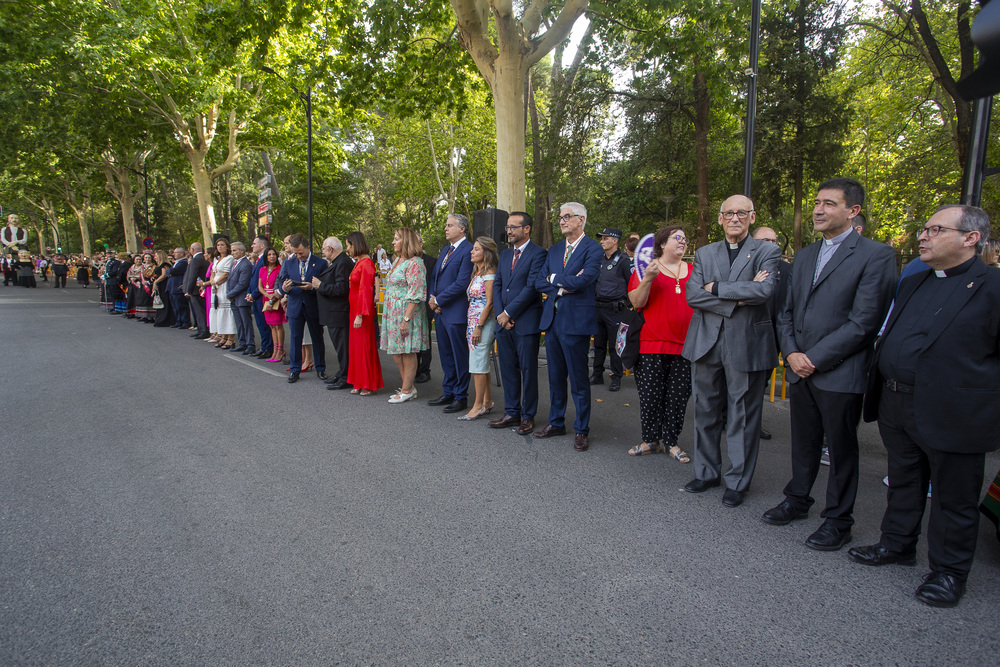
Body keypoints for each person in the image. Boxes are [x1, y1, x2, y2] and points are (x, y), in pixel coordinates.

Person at [845, 205, 1000, 608]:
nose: (923, 236)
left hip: (955, 411)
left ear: (970, 238)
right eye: (925, 229)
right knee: (904, 480)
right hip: (898, 401)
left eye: (935, 229)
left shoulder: (993, 287)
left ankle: (949, 573)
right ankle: (896, 544)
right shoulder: (916, 281)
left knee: (953, 496)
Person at [761, 178, 897, 551]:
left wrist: (814, 359)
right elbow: (786, 312)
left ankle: (838, 520)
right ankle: (797, 499)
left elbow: (865, 321)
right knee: (803, 441)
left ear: (853, 212)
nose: (818, 210)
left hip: (840, 371)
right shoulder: (804, 255)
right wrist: (790, 354)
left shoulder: (876, 255)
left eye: (829, 204)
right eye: (817, 203)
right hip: (798, 366)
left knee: (840, 448)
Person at [681, 194, 780, 508]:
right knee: (705, 411)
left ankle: (737, 481)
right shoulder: (705, 252)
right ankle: (707, 472)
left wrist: (717, 288)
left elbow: (764, 290)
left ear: (752, 217)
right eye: (728, 213)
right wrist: (740, 297)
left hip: (746, 343)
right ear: (720, 218)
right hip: (706, 342)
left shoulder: (768, 250)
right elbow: (693, 295)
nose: (734, 218)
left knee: (743, 416)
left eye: (741, 213)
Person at [533, 202, 603, 451]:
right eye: (560, 217)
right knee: (555, 377)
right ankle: (556, 422)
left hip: (576, 323)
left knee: (579, 379)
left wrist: (554, 280)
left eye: (567, 217)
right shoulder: (553, 250)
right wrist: (563, 285)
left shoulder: (593, 248)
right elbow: (538, 281)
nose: (561, 221)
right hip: (552, 323)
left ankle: (581, 429)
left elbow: (585, 279)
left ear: (581, 219)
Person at [626, 225, 695, 464]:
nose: (683, 241)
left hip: (686, 346)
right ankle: (650, 440)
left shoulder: (695, 271)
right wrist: (647, 279)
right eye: (678, 237)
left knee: (678, 398)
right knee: (650, 397)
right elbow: (636, 301)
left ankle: (671, 442)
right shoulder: (647, 267)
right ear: (663, 244)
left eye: (685, 238)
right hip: (651, 344)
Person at [489, 212, 546, 435]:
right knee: (508, 369)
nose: (509, 231)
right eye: (508, 227)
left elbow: (532, 287)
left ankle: (528, 416)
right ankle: (512, 412)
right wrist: (501, 314)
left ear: (527, 229)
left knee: (528, 370)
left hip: (526, 322)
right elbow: (498, 285)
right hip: (504, 323)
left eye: (514, 227)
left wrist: (509, 313)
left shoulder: (539, 253)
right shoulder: (504, 255)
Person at [427, 214, 474, 413]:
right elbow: (435, 277)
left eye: (450, 225)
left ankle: (461, 396)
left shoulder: (468, 250)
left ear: (462, 228)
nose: (446, 229)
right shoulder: (446, 250)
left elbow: (462, 282)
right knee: (445, 354)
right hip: (440, 311)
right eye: (445, 225)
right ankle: (448, 391)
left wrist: (438, 300)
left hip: (455, 312)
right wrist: (432, 298)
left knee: (459, 355)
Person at [381, 228, 430, 404]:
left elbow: (416, 293)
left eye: (396, 239)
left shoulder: (416, 263)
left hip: (407, 313)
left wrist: (406, 320)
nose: (393, 242)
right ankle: (408, 386)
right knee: (397, 352)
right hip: (393, 313)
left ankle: (407, 389)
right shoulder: (398, 260)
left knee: (408, 352)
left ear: (406, 241)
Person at [751, 226, 791, 442]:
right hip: (744, 333)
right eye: (765, 240)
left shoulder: (787, 270)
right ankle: (724, 417)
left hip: (772, 337)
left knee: (761, 382)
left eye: (774, 240)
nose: (771, 244)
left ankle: (753, 423)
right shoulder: (742, 264)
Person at [277, 233, 327, 383]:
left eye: (301, 253)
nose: (298, 256)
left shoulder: (320, 263)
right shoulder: (289, 262)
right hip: (295, 305)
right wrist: (284, 288)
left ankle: (320, 368)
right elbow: (281, 281)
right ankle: (295, 370)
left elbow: (325, 285)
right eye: (295, 253)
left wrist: (313, 287)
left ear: (308, 248)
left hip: (313, 305)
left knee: (317, 338)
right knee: (295, 338)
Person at [459, 236, 499, 420]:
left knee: (477, 363)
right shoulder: (478, 272)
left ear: (486, 252)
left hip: (483, 322)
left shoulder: (490, 272)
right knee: (480, 362)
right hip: (473, 320)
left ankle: (477, 405)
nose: (472, 252)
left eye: (476, 249)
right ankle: (487, 401)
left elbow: (490, 302)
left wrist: (479, 326)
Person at [591, 227, 632, 392]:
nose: (601, 241)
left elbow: (632, 285)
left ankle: (616, 377)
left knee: (616, 346)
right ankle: (597, 374)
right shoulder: (599, 259)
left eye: (605, 238)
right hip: (598, 308)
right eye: (601, 238)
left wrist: (628, 307)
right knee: (598, 344)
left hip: (616, 310)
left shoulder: (624, 261)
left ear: (615, 240)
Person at [345, 231, 383, 395]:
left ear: (355, 245)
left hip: (362, 311)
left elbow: (365, 290)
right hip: (355, 309)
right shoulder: (359, 262)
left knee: (364, 346)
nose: (347, 250)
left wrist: (360, 314)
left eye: (348, 246)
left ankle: (367, 383)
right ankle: (358, 381)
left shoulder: (366, 263)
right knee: (356, 347)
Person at [314, 236, 354, 390]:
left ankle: (346, 376)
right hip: (334, 312)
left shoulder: (342, 263)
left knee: (343, 347)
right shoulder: (338, 262)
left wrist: (320, 285)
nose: (323, 252)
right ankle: (342, 372)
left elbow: (341, 289)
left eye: (324, 249)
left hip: (338, 312)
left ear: (330, 249)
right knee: (340, 347)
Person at [246, 235, 274, 359]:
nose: (252, 246)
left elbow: (263, 281)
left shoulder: (264, 260)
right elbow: (253, 278)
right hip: (255, 297)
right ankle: (264, 346)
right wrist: (249, 293)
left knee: (265, 324)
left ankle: (268, 347)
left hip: (261, 296)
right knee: (260, 324)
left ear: (262, 245)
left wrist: (254, 294)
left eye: (254, 243)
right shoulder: (257, 260)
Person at [226, 242, 255, 353]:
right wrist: (229, 293)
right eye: (232, 250)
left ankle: (250, 344)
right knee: (239, 322)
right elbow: (230, 281)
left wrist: (230, 294)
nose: (232, 253)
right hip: (234, 298)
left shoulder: (246, 264)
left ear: (241, 251)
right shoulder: (234, 263)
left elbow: (243, 283)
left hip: (241, 298)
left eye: (234, 250)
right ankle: (242, 342)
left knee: (246, 322)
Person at [415, 235, 436, 384]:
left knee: (425, 340)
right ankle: (413, 369)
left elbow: (434, 284)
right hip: (412, 308)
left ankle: (424, 370)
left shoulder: (431, 262)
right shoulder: (407, 261)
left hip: (426, 307)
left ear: (421, 244)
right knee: (413, 340)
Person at [259, 248, 287, 363]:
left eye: (274, 254)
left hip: (276, 296)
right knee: (271, 326)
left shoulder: (279, 269)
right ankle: (274, 350)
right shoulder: (262, 269)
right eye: (269, 254)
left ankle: (280, 350)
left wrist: (273, 296)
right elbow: (260, 285)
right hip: (266, 297)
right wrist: (266, 294)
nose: (272, 256)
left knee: (278, 325)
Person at [209, 239, 236, 348]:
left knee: (226, 312)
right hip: (215, 287)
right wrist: (212, 282)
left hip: (223, 286)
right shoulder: (216, 259)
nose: (220, 247)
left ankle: (231, 338)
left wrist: (216, 283)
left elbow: (226, 274)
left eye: (222, 245)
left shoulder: (229, 258)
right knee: (218, 310)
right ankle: (223, 336)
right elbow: (213, 272)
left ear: (227, 246)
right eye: (218, 245)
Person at [184, 243, 210, 339]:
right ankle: (200, 329)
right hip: (199, 289)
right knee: (199, 311)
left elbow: (192, 276)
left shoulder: (196, 260)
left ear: (193, 249)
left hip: (196, 289)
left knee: (200, 311)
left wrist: (188, 289)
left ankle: (203, 330)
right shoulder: (202, 259)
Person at [151, 249, 175, 327]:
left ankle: (165, 319)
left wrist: (156, 281)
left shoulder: (165, 265)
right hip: (159, 285)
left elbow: (164, 275)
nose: (155, 258)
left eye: (156, 256)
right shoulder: (158, 265)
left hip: (164, 285)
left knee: (165, 301)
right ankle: (160, 318)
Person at [167, 247, 189, 329]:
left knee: (181, 305)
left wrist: (169, 271)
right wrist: (169, 271)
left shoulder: (183, 262)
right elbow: (169, 271)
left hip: (177, 286)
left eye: (176, 252)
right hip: (172, 287)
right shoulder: (176, 262)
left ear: (181, 254)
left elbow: (173, 271)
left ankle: (185, 321)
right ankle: (178, 320)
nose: (174, 254)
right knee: (175, 306)